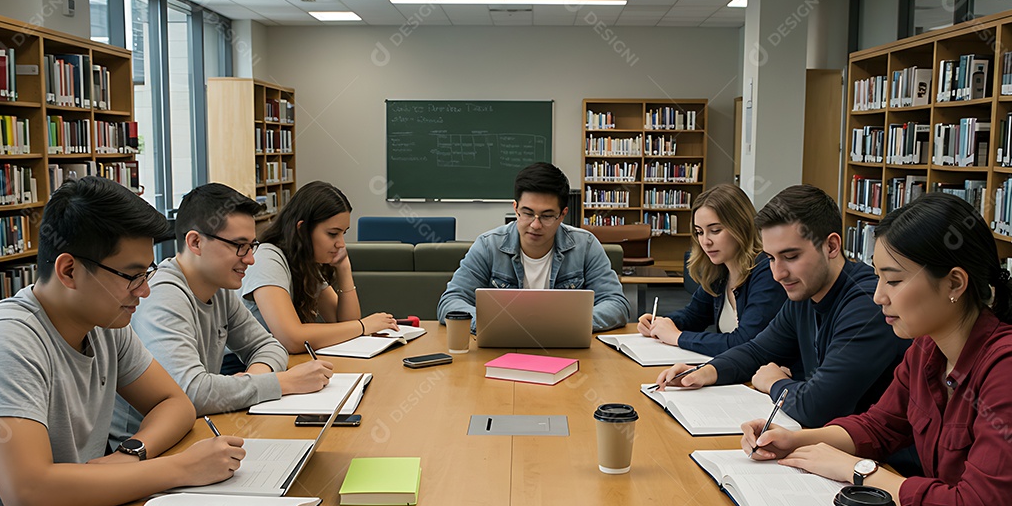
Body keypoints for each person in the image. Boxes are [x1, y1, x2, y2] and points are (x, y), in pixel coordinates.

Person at [743, 193, 1012, 506]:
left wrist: (858, 471)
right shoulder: (926, 348)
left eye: (895, 280)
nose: (878, 296)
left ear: (954, 283)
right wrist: (798, 439)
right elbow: (879, 426)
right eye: (878, 277)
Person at [0, 177, 246, 506]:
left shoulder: (105, 324)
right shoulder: (4, 342)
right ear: (69, 270)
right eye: (132, 275)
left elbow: (175, 404)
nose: (144, 291)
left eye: (147, 273)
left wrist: (131, 454)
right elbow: (29, 494)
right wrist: (180, 468)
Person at [656, 185, 911, 428]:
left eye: (791, 257)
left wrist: (774, 382)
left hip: (872, 452)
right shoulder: (805, 293)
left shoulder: (867, 303)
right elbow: (757, 350)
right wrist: (705, 372)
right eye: (770, 258)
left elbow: (817, 407)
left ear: (831, 246)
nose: (778, 274)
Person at [110, 183, 333, 446]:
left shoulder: (219, 289)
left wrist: (254, 379)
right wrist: (282, 382)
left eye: (251, 246)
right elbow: (190, 392)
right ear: (195, 242)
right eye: (239, 246)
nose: (250, 259)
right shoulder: (162, 294)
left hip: (195, 429)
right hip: (145, 445)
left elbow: (268, 345)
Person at [437, 162, 630, 332]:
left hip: (566, 346)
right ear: (515, 208)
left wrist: (566, 325)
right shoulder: (488, 246)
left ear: (562, 215)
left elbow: (616, 304)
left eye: (547, 216)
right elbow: (451, 301)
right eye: (527, 213)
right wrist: (494, 323)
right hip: (503, 346)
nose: (535, 225)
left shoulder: (585, 246)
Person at [240, 180, 398, 352]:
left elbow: (345, 324)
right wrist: (363, 326)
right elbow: (292, 339)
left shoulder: (303, 262)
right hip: (240, 364)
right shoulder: (267, 259)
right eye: (333, 234)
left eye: (343, 233)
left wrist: (344, 268)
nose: (341, 244)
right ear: (302, 230)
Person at [637, 184, 785, 354]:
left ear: (741, 226)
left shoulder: (767, 270)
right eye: (699, 232)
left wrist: (677, 337)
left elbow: (746, 341)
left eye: (715, 230)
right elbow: (694, 316)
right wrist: (661, 323)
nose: (705, 241)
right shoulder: (720, 271)